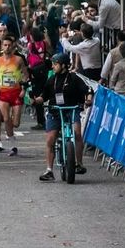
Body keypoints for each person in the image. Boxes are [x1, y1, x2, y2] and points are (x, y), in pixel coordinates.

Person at [34, 53, 89, 182]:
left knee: (77, 133)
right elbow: (44, 96)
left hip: (72, 110)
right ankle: (49, 170)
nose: (53, 66)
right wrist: (37, 100)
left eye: (55, 64)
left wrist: (88, 100)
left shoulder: (74, 78)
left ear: (64, 65)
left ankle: (79, 164)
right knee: (50, 139)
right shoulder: (51, 80)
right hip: (55, 112)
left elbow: (88, 90)